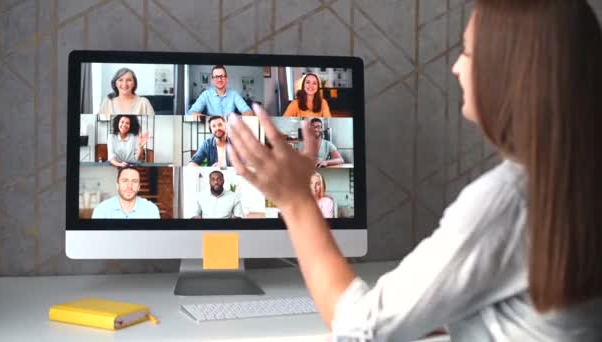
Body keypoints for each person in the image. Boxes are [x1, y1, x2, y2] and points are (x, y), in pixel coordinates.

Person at [225, 0, 602, 340]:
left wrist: (295, 198)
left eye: (468, 52)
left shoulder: (509, 200)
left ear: (507, 72)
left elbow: (359, 329)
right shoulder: (575, 184)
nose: (455, 68)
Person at [185, 65, 254, 120]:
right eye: (216, 77)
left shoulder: (234, 94)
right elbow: (190, 113)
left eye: (222, 76)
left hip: (230, 129)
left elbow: (249, 112)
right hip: (212, 129)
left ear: (227, 79)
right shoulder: (206, 94)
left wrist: (236, 119)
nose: (219, 79)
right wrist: (204, 118)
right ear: (212, 80)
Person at [92, 166, 160, 219]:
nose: (129, 186)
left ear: (139, 187)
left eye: (134, 181)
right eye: (125, 180)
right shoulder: (101, 210)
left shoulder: (151, 209)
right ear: (117, 185)